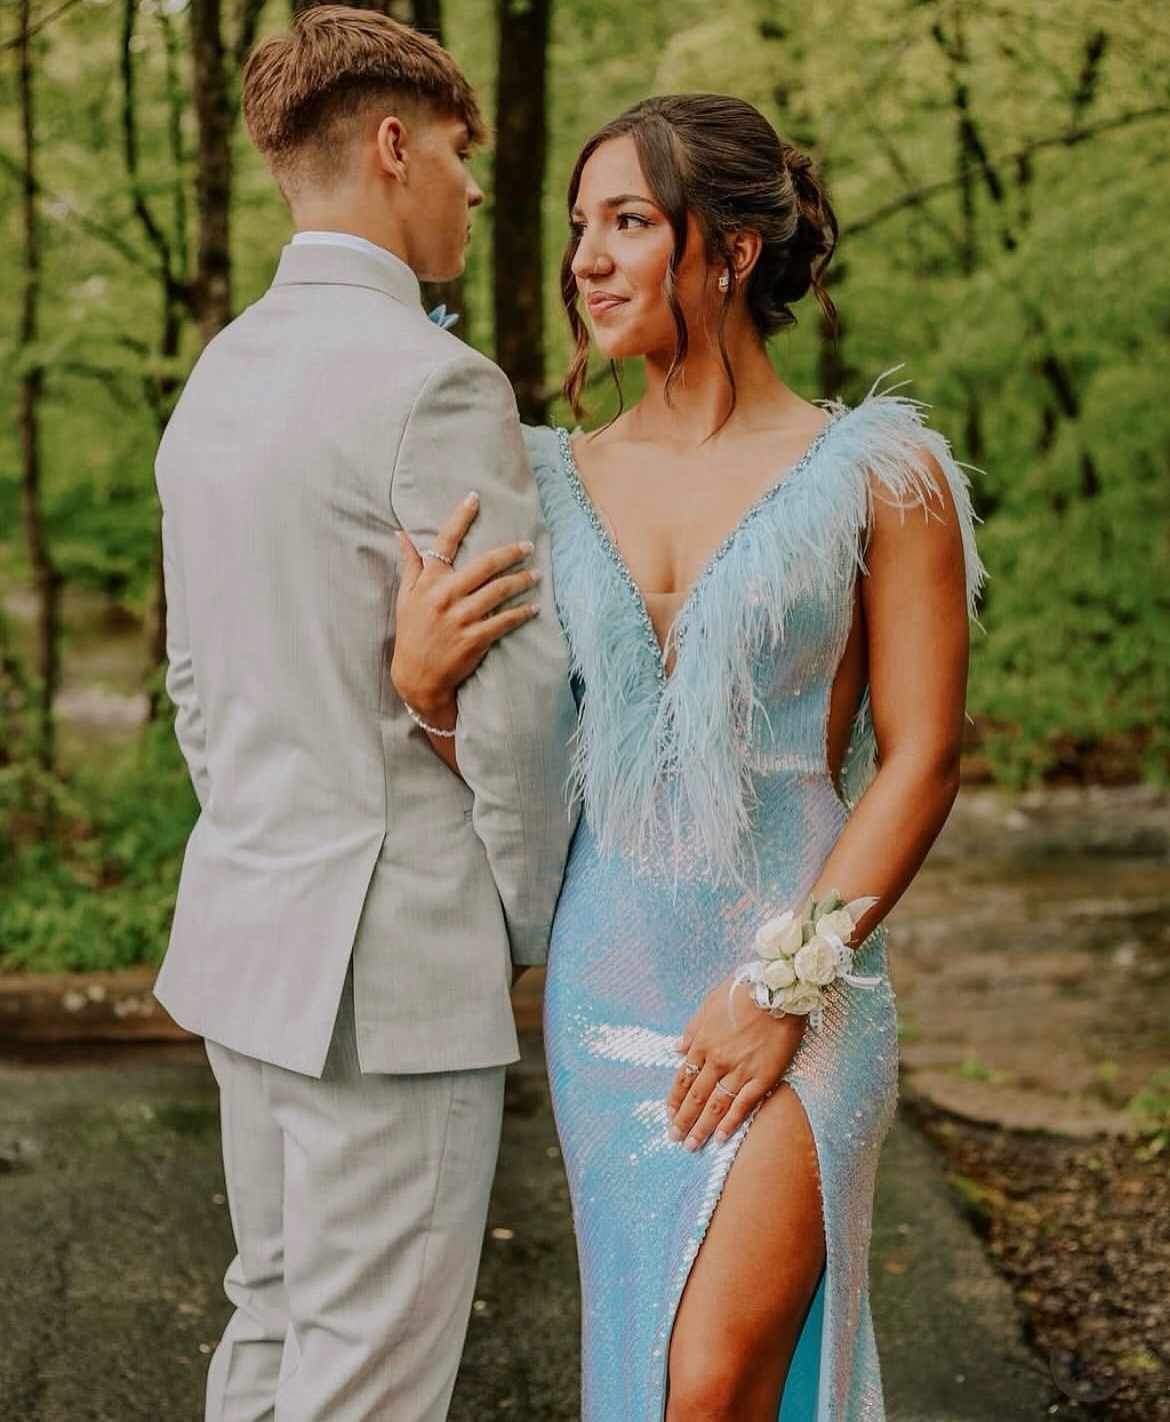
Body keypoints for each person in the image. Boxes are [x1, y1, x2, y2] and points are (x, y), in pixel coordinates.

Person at [392, 94, 986, 1421]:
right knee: (658, 1373)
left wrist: (785, 980)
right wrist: (426, 688)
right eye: (577, 228)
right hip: (608, 992)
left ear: (726, 249)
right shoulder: (540, 478)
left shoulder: (880, 471)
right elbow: (522, 767)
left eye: (627, 223)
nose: (584, 259)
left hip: (800, 973)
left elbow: (924, 757)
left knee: (709, 1383)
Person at [153, 9, 574, 1421]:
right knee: (370, 1386)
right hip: (391, 969)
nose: (468, 185)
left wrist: (276, 824)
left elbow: (195, 689)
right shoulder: (435, 385)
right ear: (393, 145)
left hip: (245, 932)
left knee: (270, 1339)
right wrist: (516, 926)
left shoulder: (216, 380)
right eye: (460, 152)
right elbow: (513, 712)